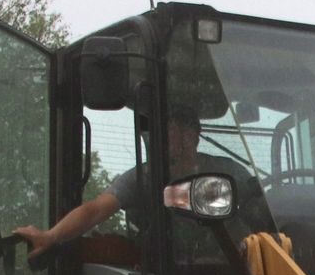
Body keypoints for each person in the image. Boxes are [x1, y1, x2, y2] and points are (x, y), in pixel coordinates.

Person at [15, 104, 247, 256]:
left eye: (183, 132)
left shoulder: (226, 170)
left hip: (232, 270)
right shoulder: (146, 178)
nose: (177, 140)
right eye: (169, 132)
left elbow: (258, 204)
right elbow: (95, 209)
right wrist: (50, 236)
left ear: (196, 136)